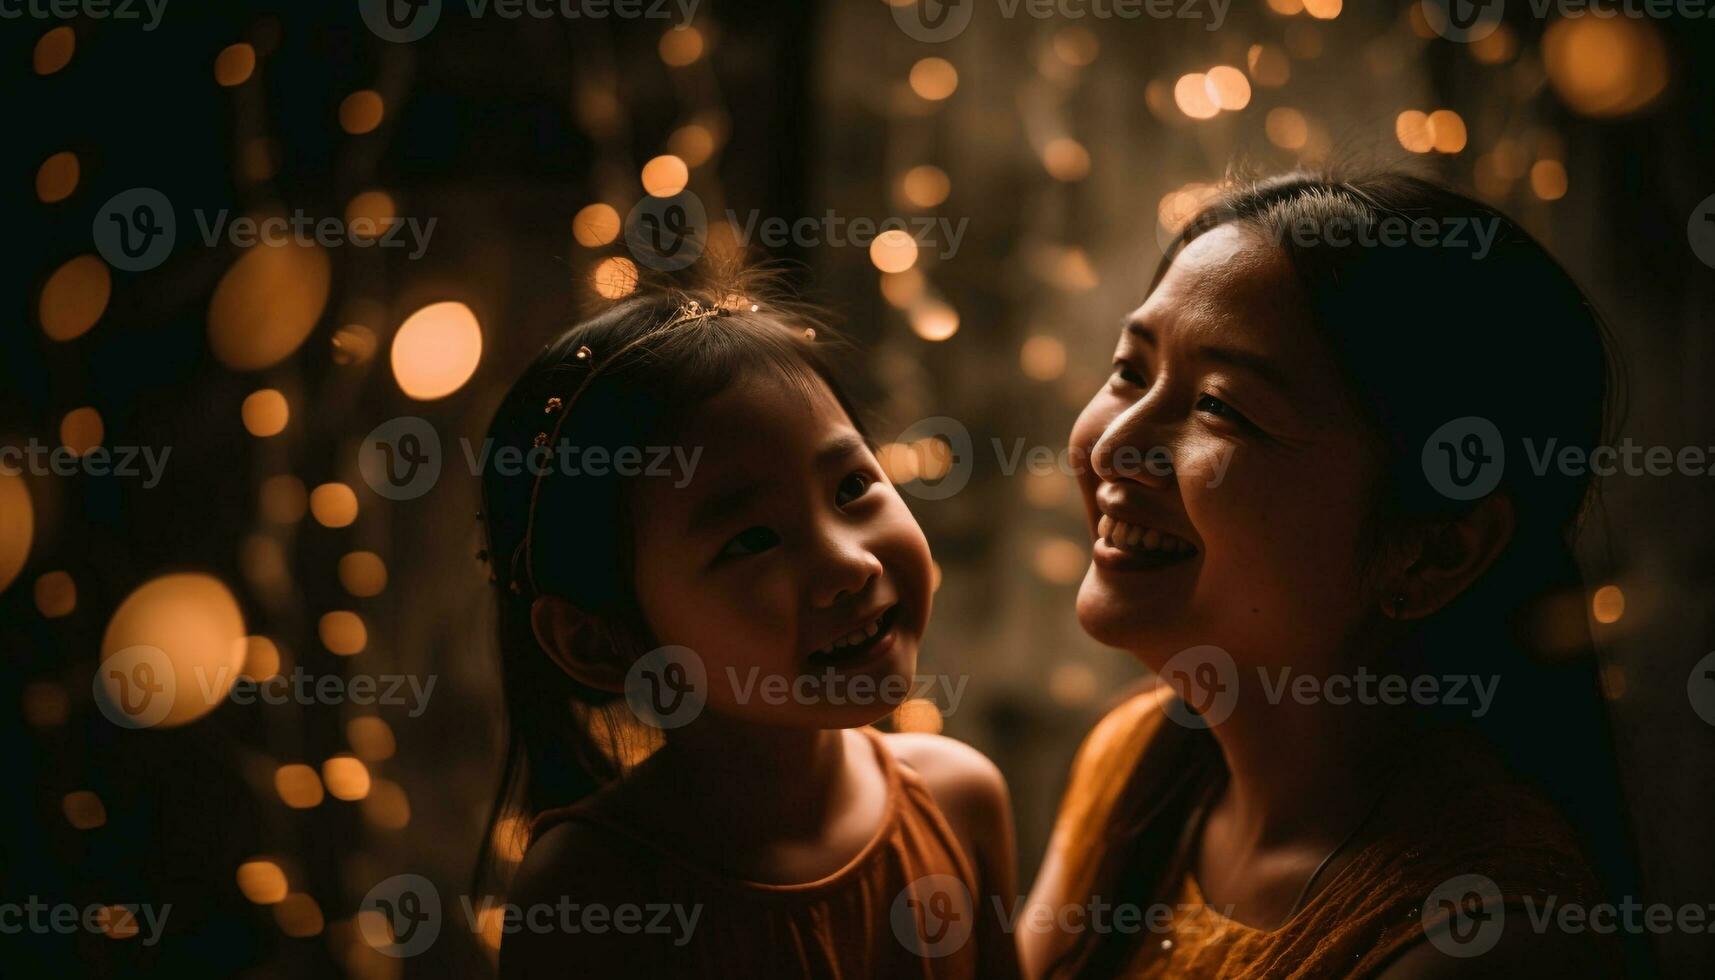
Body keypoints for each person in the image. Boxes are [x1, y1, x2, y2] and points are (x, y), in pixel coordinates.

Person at [1022, 172, 1645, 978]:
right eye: (1129, 372)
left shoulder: (1476, 943)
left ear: (1433, 553)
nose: (1112, 448)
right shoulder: (1134, 757)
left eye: (1220, 407)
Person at [477, 273, 1018, 978]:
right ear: (596, 640)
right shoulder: (591, 895)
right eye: (751, 540)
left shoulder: (959, 799)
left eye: (852, 487)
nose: (848, 564)